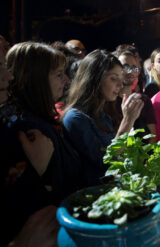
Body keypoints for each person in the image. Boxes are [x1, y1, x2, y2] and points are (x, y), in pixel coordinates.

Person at [1, 41, 86, 245]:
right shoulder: (30, 130)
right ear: (35, 80)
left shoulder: (36, 119)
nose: (66, 80)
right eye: (58, 74)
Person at [62, 50, 144, 181]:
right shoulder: (74, 118)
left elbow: (120, 157)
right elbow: (106, 162)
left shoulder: (102, 115)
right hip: (91, 196)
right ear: (95, 79)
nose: (120, 84)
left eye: (120, 78)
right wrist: (128, 121)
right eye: (113, 78)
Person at [116, 50, 156, 141]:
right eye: (125, 67)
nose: (131, 71)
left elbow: (153, 136)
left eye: (134, 68)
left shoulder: (143, 100)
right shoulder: (110, 101)